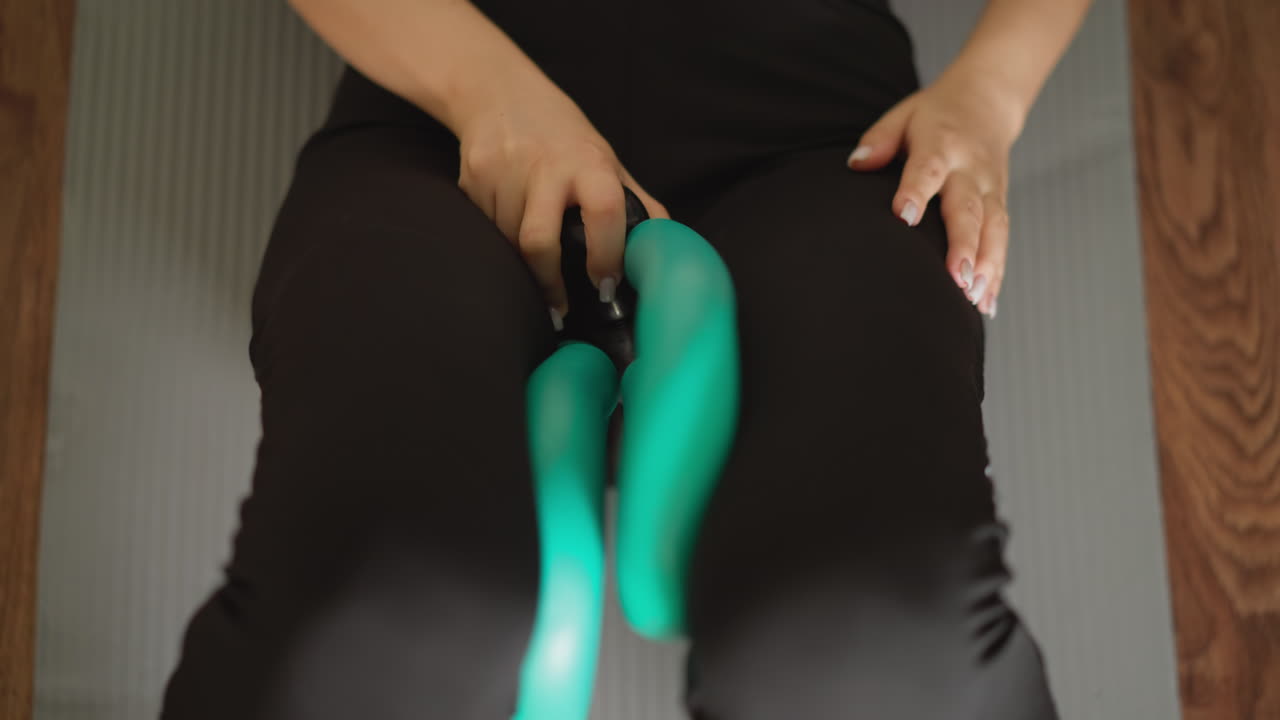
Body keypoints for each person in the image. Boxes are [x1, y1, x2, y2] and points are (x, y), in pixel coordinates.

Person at [160, 0, 1094, 717]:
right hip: (448, 119)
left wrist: (990, 93)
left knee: (879, 637)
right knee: (386, 607)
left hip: (824, 150)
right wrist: (490, 94)